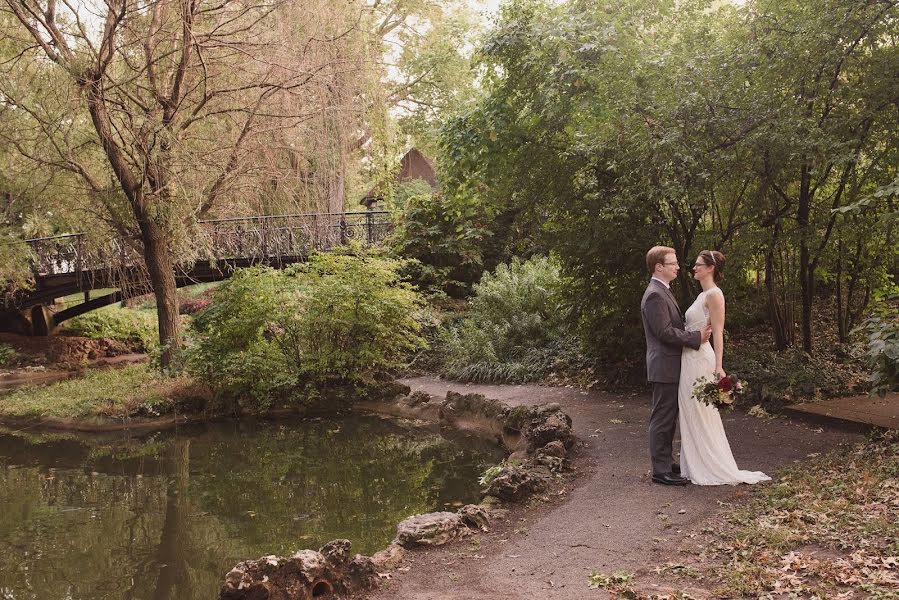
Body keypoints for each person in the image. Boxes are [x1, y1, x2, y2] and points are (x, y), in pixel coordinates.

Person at [677, 250, 770, 485]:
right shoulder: (701, 295)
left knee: (702, 411)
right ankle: (695, 463)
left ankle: (711, 465)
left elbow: (718, 332)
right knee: (690, 411)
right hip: (688, 358)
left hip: (701, 359)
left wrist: (719, 365)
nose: (693, 268)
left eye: (698, 265)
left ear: (710, 268)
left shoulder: (715, 294)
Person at [641, 246, 711, 486]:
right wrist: (695, 338)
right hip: (664, 365)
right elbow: (663, 332)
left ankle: (667, 463)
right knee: (662, 418)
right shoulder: (654, 294)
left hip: (670, 364)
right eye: (672, 263)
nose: (677, 267)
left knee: (669, 417)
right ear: (659, 267)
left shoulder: (663, 291)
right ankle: (660, 471)